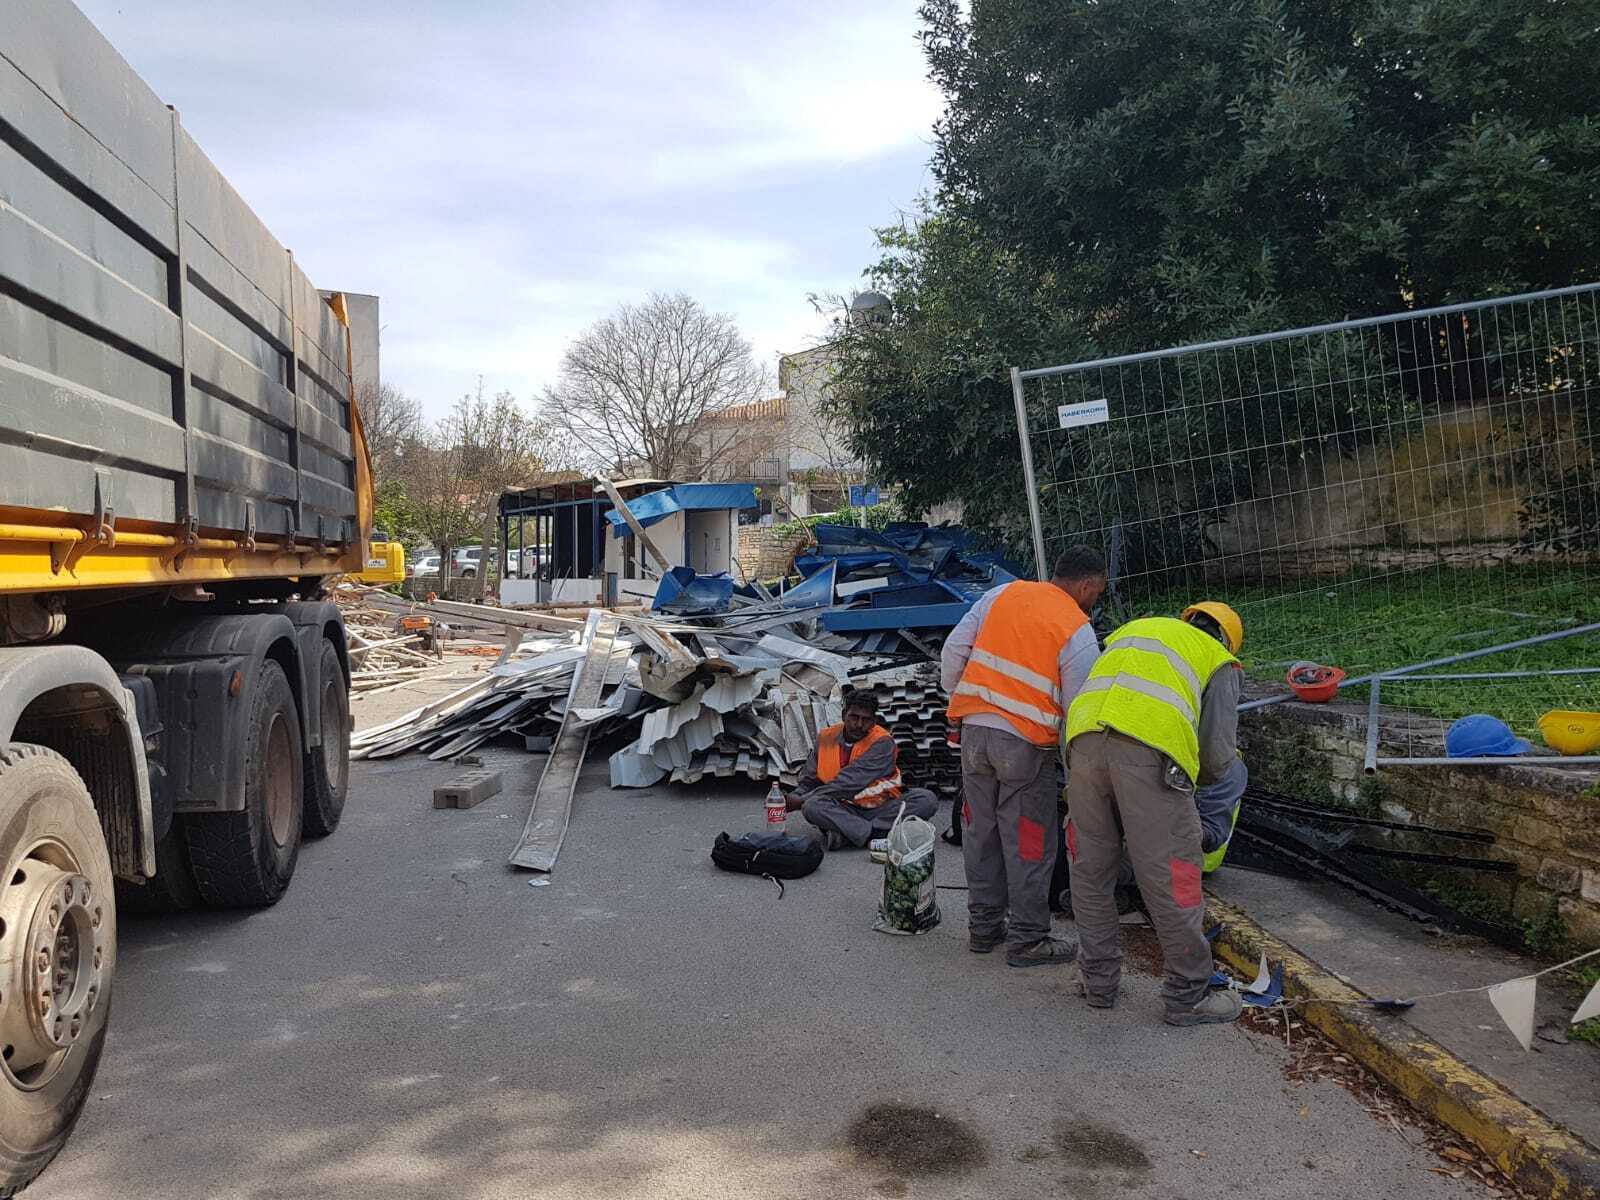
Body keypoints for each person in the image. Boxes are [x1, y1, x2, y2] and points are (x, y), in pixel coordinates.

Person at [1063, 600, 1246, 1025]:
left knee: (1091, 873)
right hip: (1150, 755)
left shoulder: (1133, 631)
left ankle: (1098, 983)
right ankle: (1188, 995)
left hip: (1083, 745)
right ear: (1227, 638)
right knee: (1174, 876)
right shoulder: (1219, 660)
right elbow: (1218, 758)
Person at [941, 546, 1107, 968]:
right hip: (1026, 747)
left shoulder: (1002, 595)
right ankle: (1029, 938)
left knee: (980, 832)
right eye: (1098, 591)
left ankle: (984, 928)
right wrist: (1078, 774)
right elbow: (1080, 708)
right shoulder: (1076, 628)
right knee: (1029, 839)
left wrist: (962, 703)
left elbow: (953, 651)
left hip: (975, 735)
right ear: (1088, 585)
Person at [789, 690, 938, 850]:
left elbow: (850, 782)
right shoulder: (826, 737)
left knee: (926, 799)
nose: (859, 724)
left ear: (874, 721)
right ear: (844, 715)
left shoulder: (882, 742)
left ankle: (853, 834)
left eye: (866, 720)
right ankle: (878, 833)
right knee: (812, 806)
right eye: (854, 717)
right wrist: (793, 796)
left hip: (882, 806)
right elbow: (808, 780)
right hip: (841, 807)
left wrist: (799, 801)